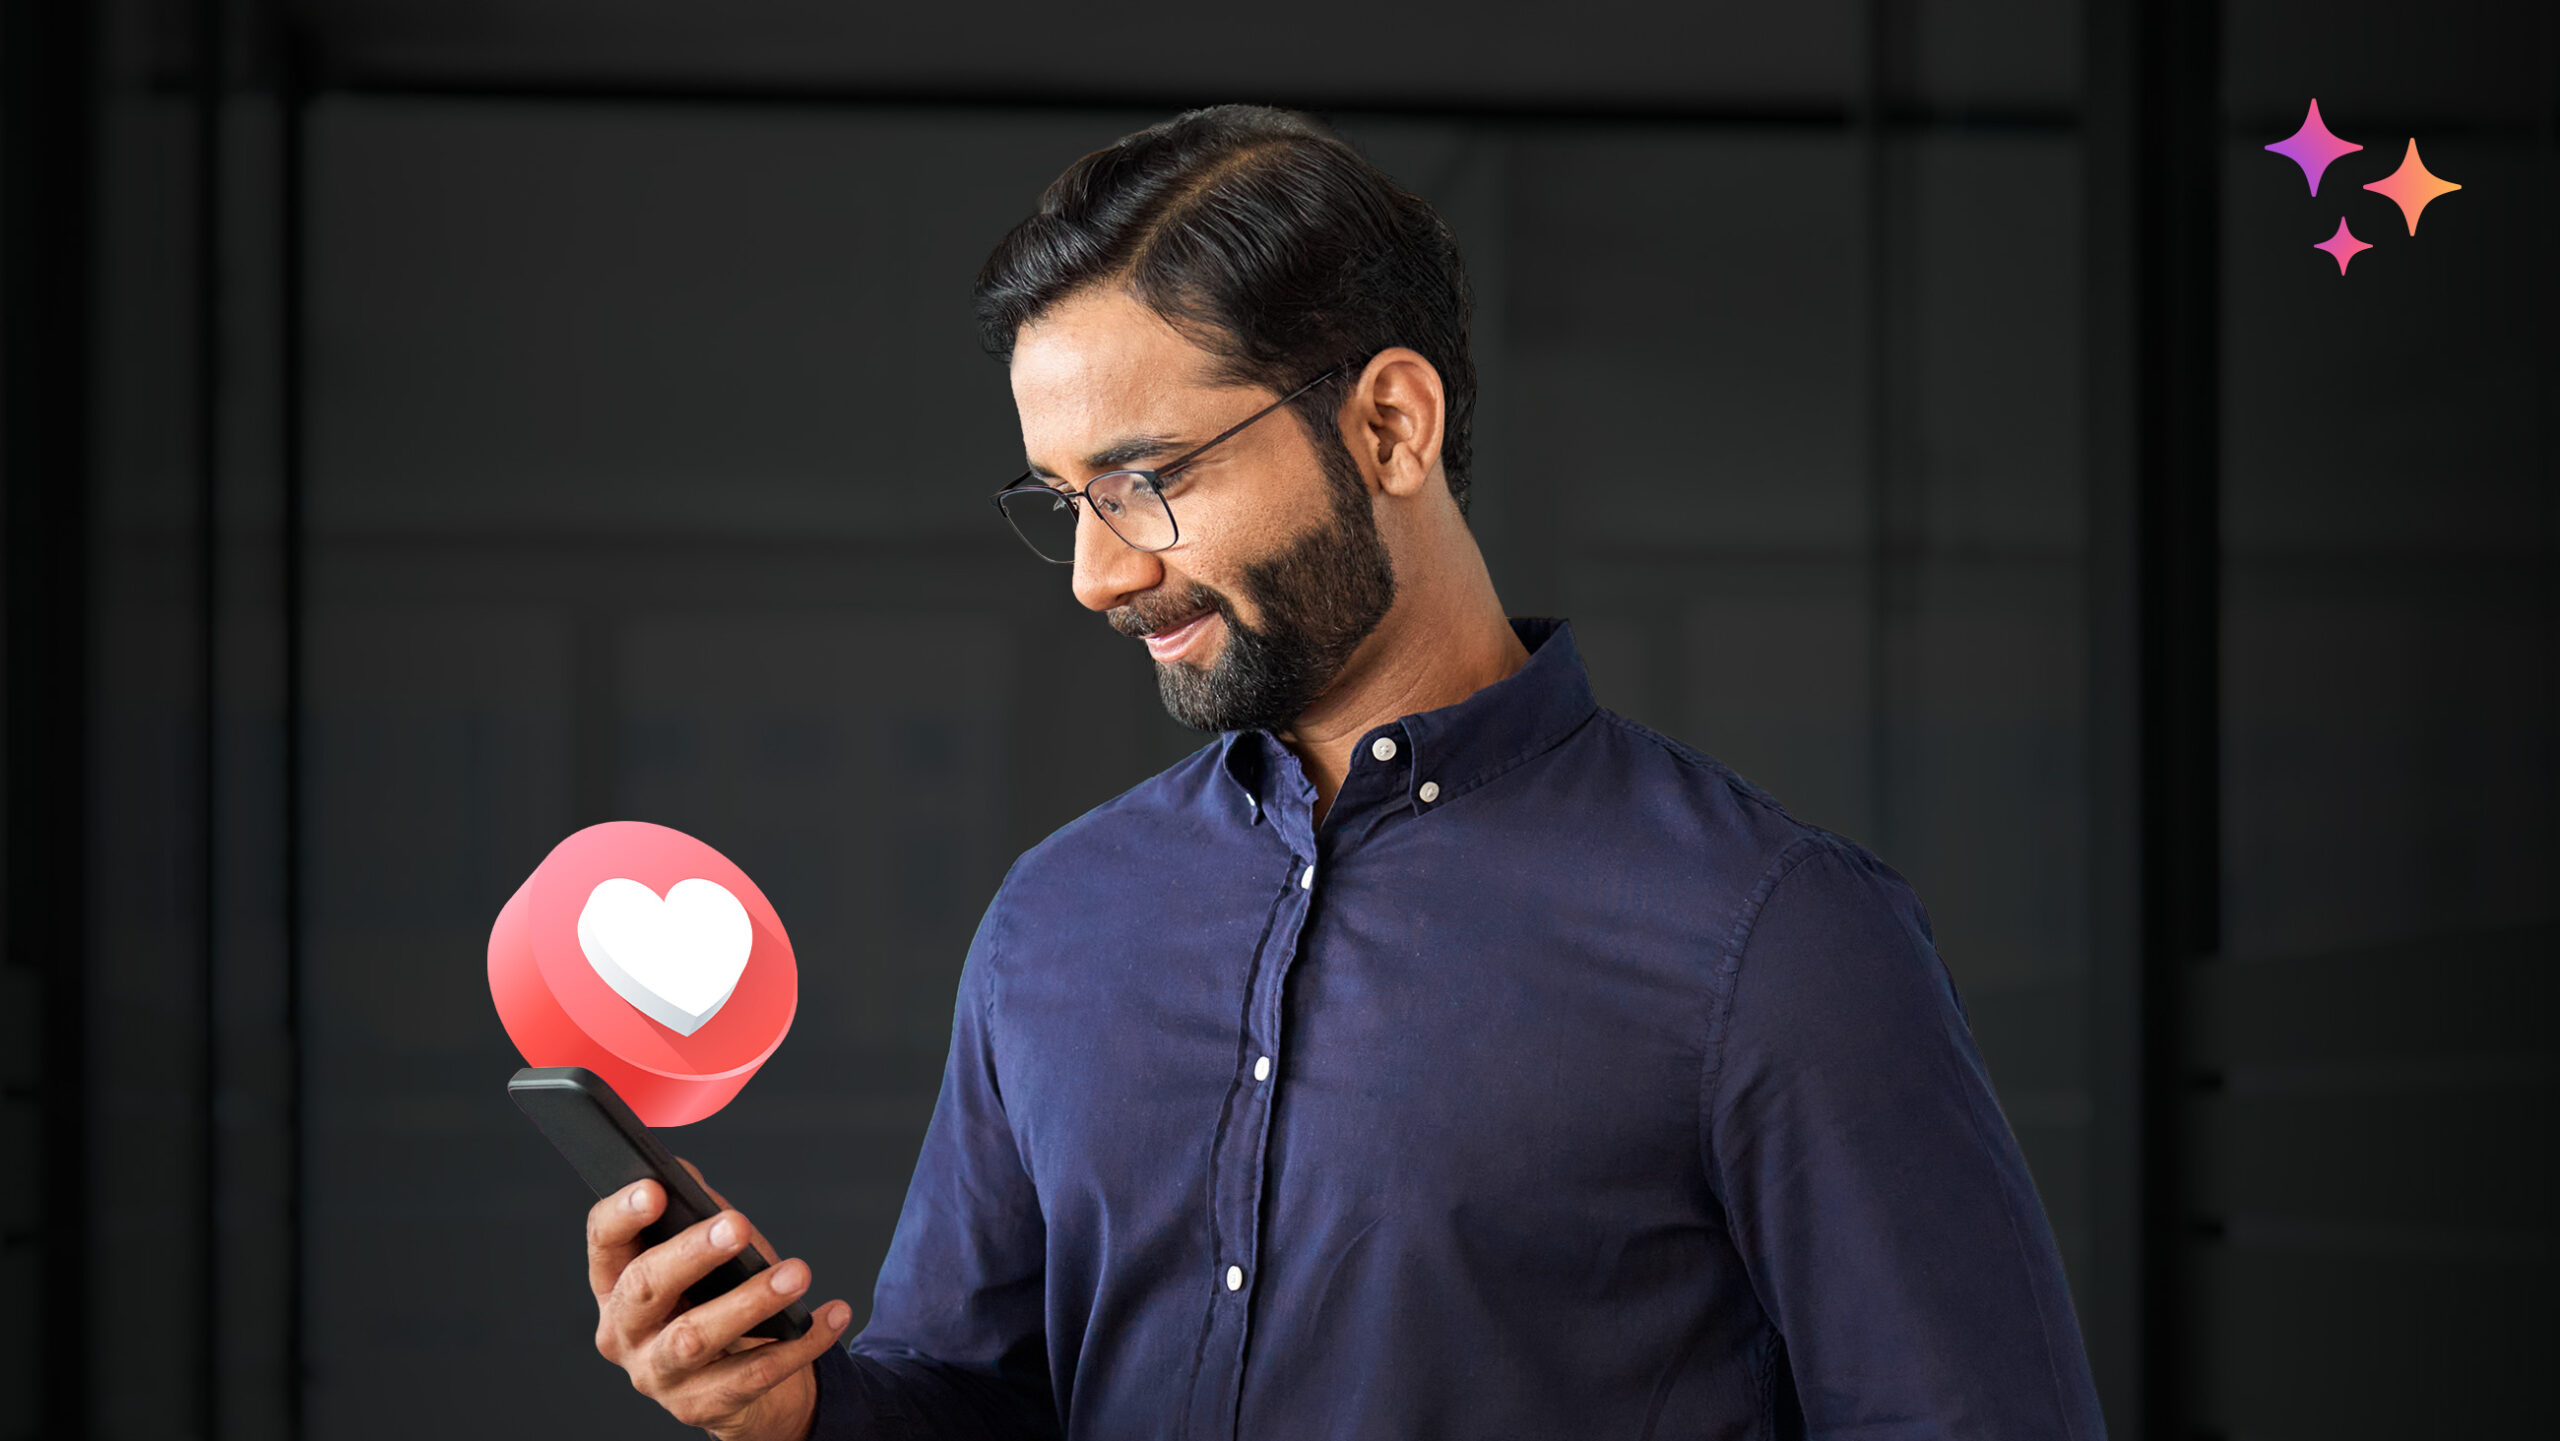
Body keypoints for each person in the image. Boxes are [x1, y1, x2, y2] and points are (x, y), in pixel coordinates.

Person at [585, 103, 2108, 1441]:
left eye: (1149, 480)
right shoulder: (1055, 922)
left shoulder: (1777, 936)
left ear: (1389, 422)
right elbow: (975, 1394)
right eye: (1063, 500)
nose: (1097, 575)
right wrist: (797, 1407)